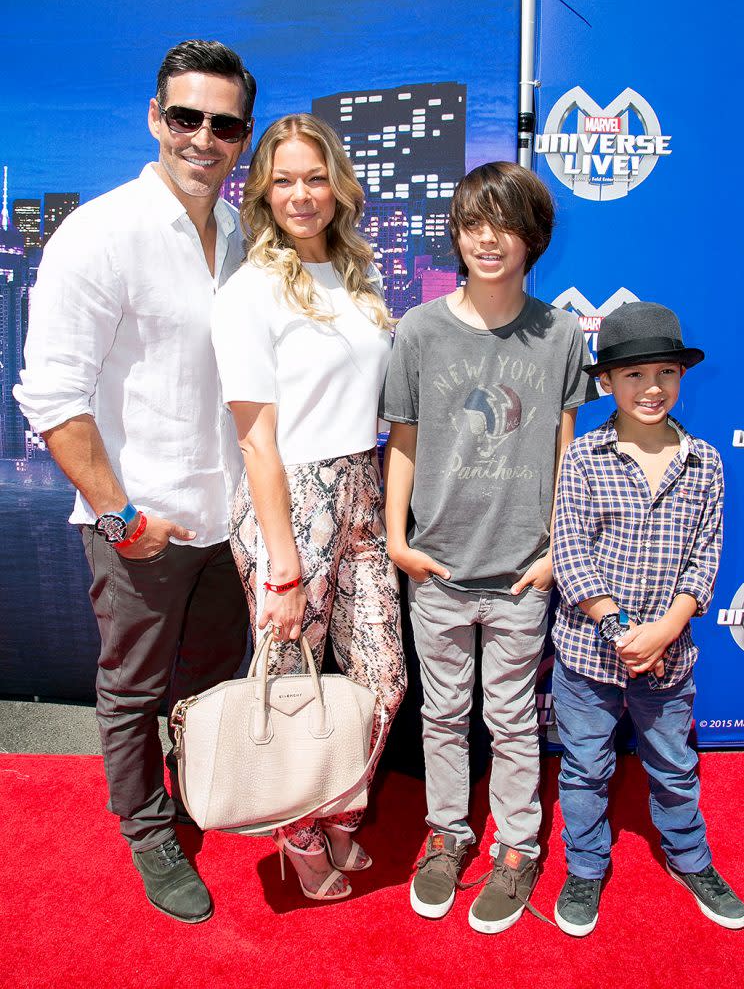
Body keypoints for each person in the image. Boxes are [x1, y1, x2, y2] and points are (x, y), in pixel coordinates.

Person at [14, 39, 257, 924]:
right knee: (132, 686)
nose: (203, 136)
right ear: (155, 118)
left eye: (223, 123)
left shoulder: (240, 234)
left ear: (243, 136)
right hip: (141, 524)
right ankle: (146, 826)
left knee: (208, 675)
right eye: (185, 116)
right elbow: (50, 394)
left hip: (229, 518)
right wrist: (121, 516)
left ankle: (197, 788)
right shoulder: (101, 232)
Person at [380, 161, 598, 933]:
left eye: (504, 223)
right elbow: (401, 442)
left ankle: (517, 846)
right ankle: (448, 833)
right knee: (442, 716)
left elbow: (568, 451)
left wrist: (555, 554)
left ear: (532, 236)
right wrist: (396, 540)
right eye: (473, 223)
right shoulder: (418, 330)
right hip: (435, 569)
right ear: (457, 235)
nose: (487, 239)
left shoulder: (561, 333)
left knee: (510, 719)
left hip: (520, 573)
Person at [211, 113, 406, 902]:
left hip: (361, 481)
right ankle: (298, 839)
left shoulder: (358, 275)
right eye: (284, 178)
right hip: (290, 496)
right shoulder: (249, 289)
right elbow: (255, 437)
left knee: (383, 677)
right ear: (263, 189)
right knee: (292, 680)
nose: (301, 193)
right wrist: (282, 561)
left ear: (338, 186)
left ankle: (338, 813)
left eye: (315, 176)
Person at [550, 300, 744, 936]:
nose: (651, 387)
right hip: (586, 655)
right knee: (584, 766)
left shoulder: (706, 461)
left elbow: (704, 558)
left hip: (669, 656)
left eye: (664, 372)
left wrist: (662, 631)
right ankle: (584, 867)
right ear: (606, 382)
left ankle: (691, 859)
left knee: (675, 766)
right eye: (633, 374)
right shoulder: (583, 457)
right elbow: (572, 552)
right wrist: (615, 627)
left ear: (682, 377)